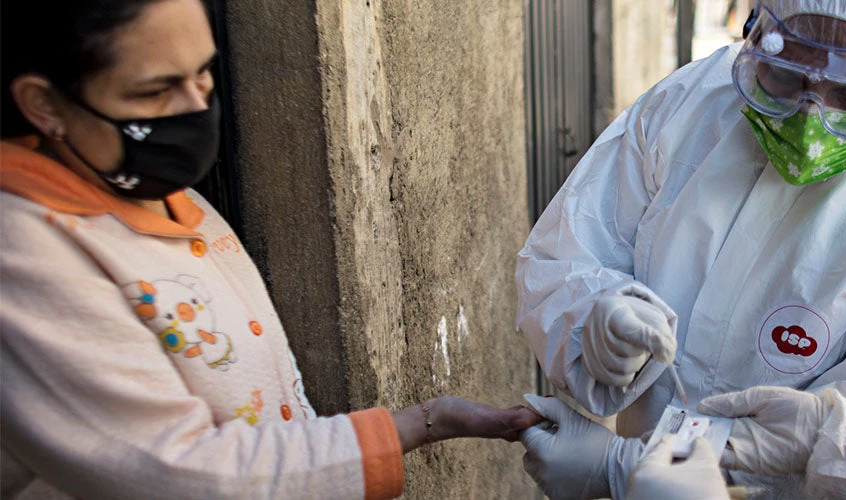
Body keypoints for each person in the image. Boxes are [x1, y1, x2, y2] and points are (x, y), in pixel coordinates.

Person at [0, 1, 542, 498]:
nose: (196, 108)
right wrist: (420, 424)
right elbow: (174, 472)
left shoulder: (173, 198)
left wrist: (429, 420)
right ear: (44, 104)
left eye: (203, 73)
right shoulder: (23, 251)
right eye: (155, 90)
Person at [516, 0, 846, 498]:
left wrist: (622, 467)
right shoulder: (697, 100)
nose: (810, 117)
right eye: (786, 72)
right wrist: (593, 324)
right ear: (760, 32)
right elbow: (567, 254)